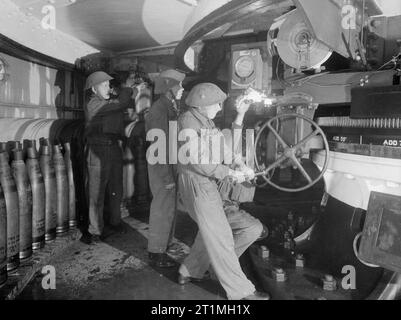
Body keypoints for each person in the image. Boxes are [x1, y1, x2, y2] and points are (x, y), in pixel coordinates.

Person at [176, 83, 270, 300]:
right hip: (197, 184)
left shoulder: (205, 121)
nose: (219, 108)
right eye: (217, 104)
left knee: (213, 232)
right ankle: (241, 292)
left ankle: (189, 270)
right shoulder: (187, 122)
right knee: (222, 237)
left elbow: (222, 148)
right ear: (202, 104)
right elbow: (199, 161)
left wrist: (239, 165)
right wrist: (228, 173)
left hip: (205, 183)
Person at [81, 71, 135, 244]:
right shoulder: (93, 104)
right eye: (103, 85)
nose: (107, 87)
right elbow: (121, 102)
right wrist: (126, 87)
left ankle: (115, 222)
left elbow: (125, 105)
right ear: (93, 89)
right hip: (98, 149)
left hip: (114, 148)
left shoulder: (109, 102)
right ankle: (95, 231)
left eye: (108, 84)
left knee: (116, 188)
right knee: (96, 192)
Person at [145, 69, 186, 267]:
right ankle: (156, 252)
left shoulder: (170, 106)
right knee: (162, 208)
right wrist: (166, 176)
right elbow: (157, 145)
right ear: (169, 87)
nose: (182, 88)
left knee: (169, 208)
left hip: (170, 163)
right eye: (179, 85)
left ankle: (166, 244)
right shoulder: (158, 110)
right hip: (161, 166)